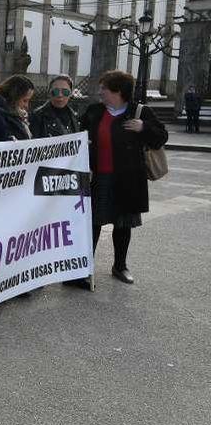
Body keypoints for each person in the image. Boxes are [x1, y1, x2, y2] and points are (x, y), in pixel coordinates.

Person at [77, 70, 168, 287]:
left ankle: (120, 265)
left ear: (118, 92)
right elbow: (79, 137)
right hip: (98, 176)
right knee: (93, 223)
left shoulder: (139, 112)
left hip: (128, 179)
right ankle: (84, 268)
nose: (101, 92)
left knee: (123, 224)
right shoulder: (94, 111)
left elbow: (161, 137)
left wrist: (144, 127)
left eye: (104, 89)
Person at [0, 75, 35, 141]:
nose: (26, 105)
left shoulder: (20, 117)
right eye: (24, 100)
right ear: (15, 97)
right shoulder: (0, 115)